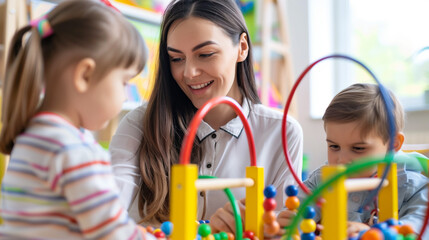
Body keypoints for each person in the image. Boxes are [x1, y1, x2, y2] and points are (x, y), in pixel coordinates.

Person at [109, 0, 303, 229]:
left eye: (206, 54)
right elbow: (108, 206)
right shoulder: (140, 124)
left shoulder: (282, 132)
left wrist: (260, 226)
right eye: (176, 59)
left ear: (242, 48)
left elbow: (282, 228)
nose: (189, 73)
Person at [0, 0, 155, 239]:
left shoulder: (31, 137)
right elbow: (112, 233)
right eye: (124, 82)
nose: (125, 95)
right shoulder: (74, 150)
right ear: (85, 75)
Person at [277, 83, 428, 238]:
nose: (342, 160)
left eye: (358, 148)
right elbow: (300, 212)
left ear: (393, 144)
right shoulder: (322, 180)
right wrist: (291, 222)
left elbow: (417, 229)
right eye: (334, 146)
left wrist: (374, 233)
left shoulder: (413, 186)